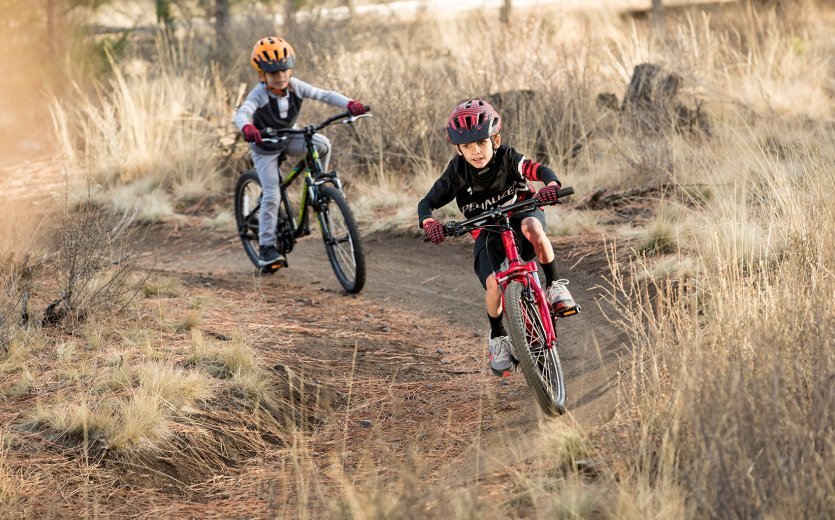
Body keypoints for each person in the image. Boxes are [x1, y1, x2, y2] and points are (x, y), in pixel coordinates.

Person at [417, 99, 579, 377]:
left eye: (481, 143)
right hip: (487, 230)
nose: (475, 151)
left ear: (495, 139)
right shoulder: (457, 172)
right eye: (467, 147)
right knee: (493, 284)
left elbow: (536, 170)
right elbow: (427, 202)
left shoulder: (507, 157)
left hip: (520, 213)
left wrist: (551, 185)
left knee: (533, 228)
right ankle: (499, 336)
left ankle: (554, 286)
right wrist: (429, 222)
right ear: (458, 149)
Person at [234, 36, 368, 267]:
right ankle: (266, 247)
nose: (281, 76)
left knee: (322, 143)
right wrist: (247, 127)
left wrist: (348, 103)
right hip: (264, 146)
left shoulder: (295, 86)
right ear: (261, 74)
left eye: (285, 70)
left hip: (288, 137)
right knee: (272, 194)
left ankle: (317, 184)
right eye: (274, 73)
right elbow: (243, 113)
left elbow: (324, 94)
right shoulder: (259, 94)